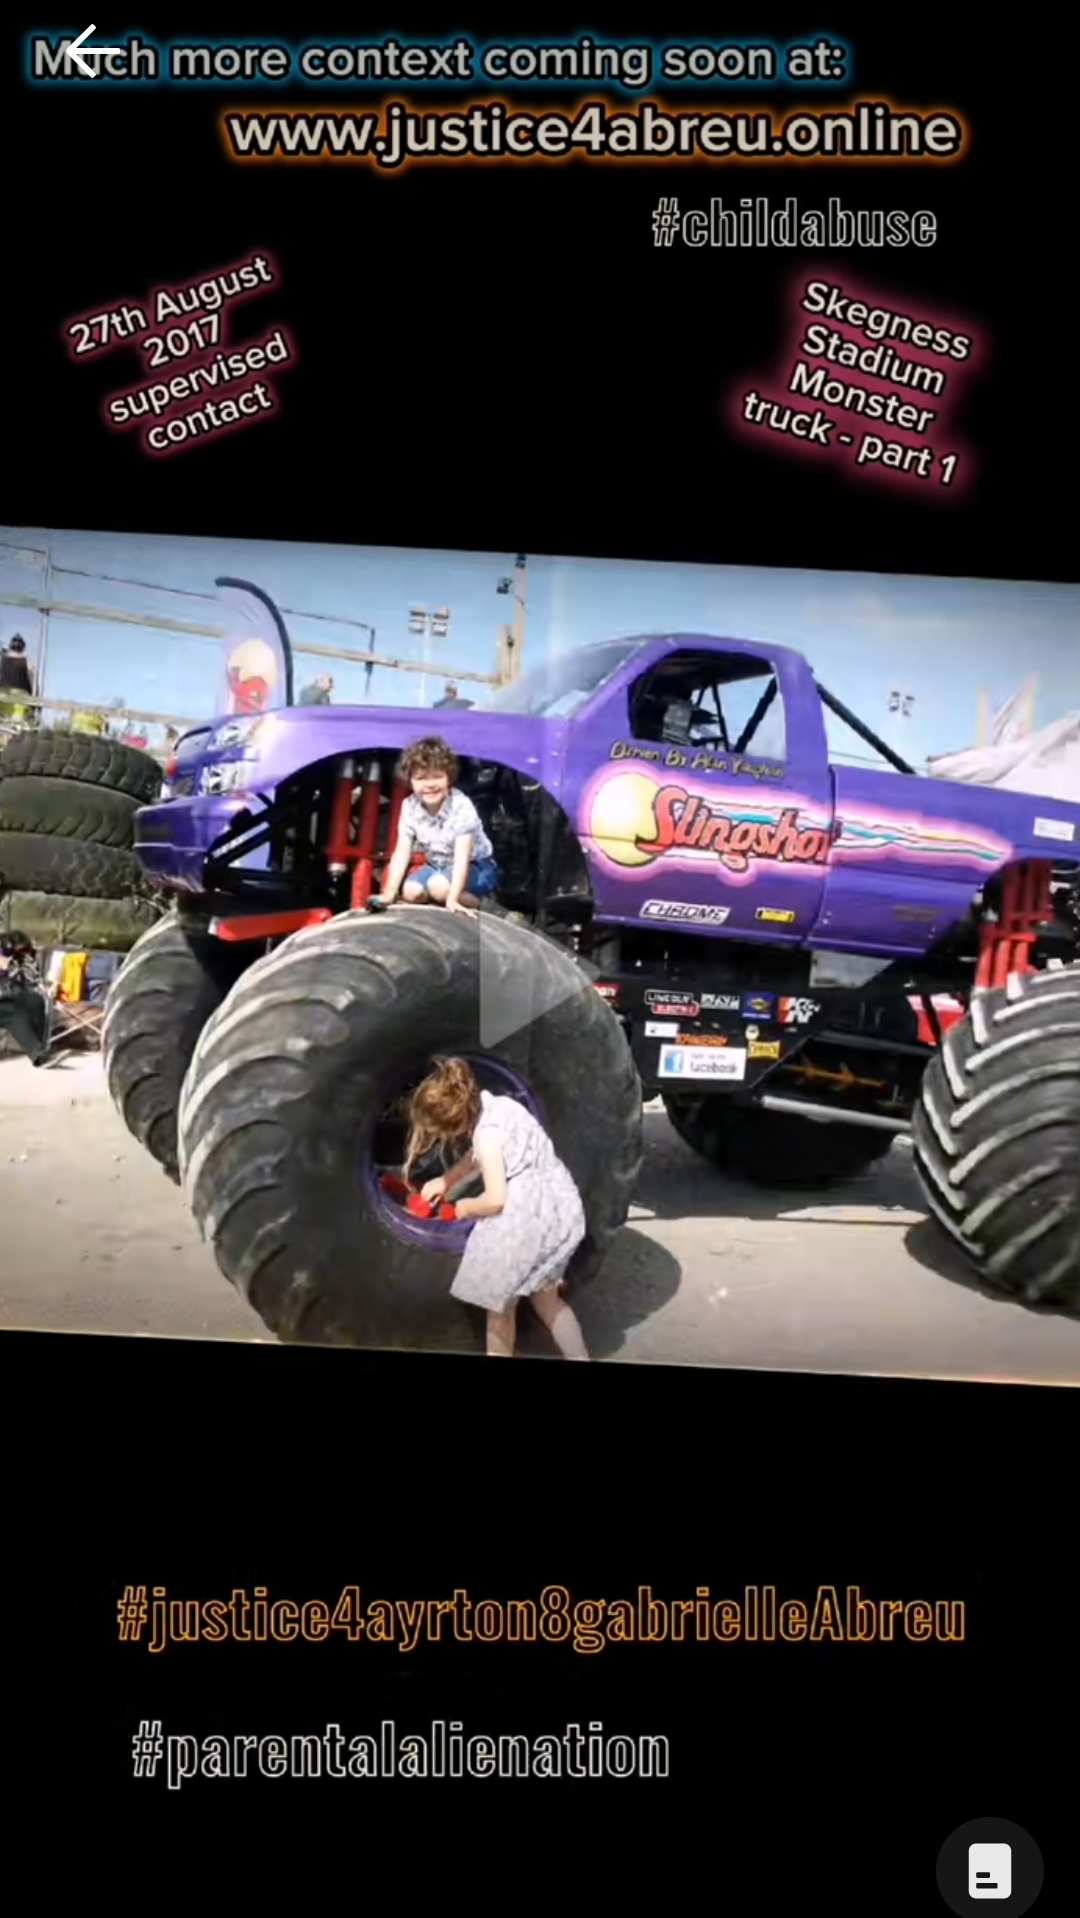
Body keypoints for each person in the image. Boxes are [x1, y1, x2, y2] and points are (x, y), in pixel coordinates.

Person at [404, 1056, 590, 1359]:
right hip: (558, 1207)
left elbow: (495, 1200)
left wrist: (462, 1207)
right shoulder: (499, 1106)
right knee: (548, 1302)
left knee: (499, 1307)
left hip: (526, 1215)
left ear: (457, 1123)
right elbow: (476, 1157)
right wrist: (446, 1180)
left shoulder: (487, 1136)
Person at [379, 736, 498, 915]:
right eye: (421, 778)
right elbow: (402, 852)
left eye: (437, 777)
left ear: (448, 778)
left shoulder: (460, 805)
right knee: (411, 892)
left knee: (438, 888)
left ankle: (484, 905)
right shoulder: (409, 806)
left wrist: (453, 898)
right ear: (409, 780)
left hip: (476, 866)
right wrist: (389, 893)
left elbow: (462, 858)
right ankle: (439, 899)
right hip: (438, 865)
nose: (430, 785)